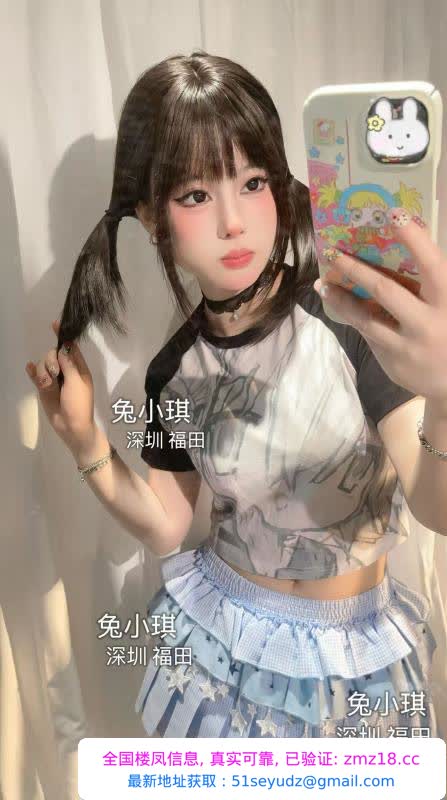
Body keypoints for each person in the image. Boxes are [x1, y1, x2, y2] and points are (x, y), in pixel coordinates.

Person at [25, 51, 447, 739]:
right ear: (151, 217)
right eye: (196, 195)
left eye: (252, 182)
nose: (233, 221)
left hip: (354, 661)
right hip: (225, 652)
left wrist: (444, 393)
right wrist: (85, 441)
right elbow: (167, 524)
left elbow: (436, 507)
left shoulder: (349, 321)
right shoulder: (172, 370)